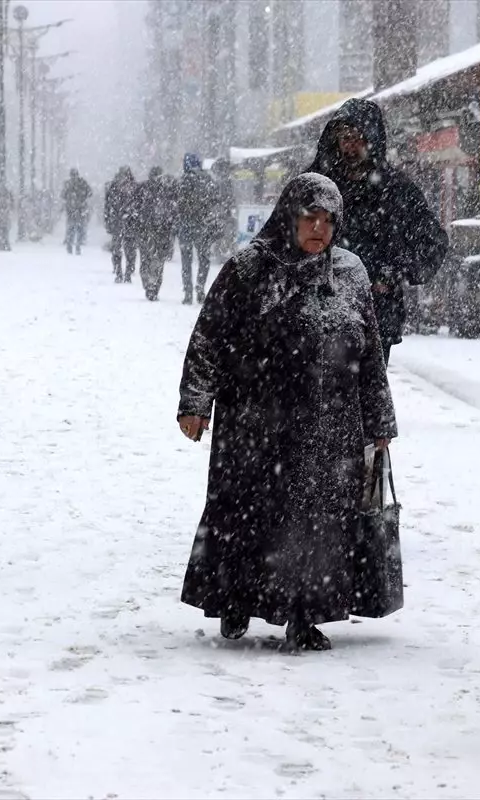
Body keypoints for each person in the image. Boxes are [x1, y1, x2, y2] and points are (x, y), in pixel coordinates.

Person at [176, 173, 397, 652]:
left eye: (327, 221)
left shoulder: (350, 273)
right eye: (309, 218)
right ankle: (236, 597)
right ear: (289, 218)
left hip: (328, 427)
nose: (318, 229)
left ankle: (303, 614)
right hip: (257, 425)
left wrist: (379, 424)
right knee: (248, 517)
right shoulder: (249, 269)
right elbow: (209, 338)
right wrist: (195, 402)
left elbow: (371, 357)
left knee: (317, 525)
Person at [307, 98, 448, 365]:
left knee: (366, 401)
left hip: (375, 317)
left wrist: (395, 273)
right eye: (344, 137)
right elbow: (281, 238)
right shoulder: (315, 186)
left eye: (357, 138)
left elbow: (433, 243)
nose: (350, 146)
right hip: (317, 314)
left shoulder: (397, 190)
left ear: (372, 139)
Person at [177, 152, 218, 305]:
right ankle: (200, 289)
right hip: (203, 227)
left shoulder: (183, 180)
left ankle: (187, 293)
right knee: (204, 259)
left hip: (186, 226)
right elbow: (215, 200)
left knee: (186, 261)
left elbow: (179, 204)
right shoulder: (208, 179)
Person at [137, 166, 177, 302]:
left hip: (149, 230)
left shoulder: (144, 188)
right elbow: (172, 210)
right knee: (157, 261)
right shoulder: (165, 190)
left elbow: (136, 209)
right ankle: (153, 286)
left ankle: (150, 285)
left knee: (148, 259)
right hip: (158, 230)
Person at [104, 166, 140, 283]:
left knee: (117, 248)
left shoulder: (113, 187)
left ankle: (119, 271)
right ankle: (128, 272)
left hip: (118, 221)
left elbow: (108, 206)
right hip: (130, 221)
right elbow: (140, 205)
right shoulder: (135, 187)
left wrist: (108, 221)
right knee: (129, 249)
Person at [62, 168, 92, 255]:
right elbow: (90, 193)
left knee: (75, 228)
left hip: (76, 209)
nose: (74, 177)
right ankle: (73, 245)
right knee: (76, 228)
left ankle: (73, 245)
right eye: (73, 175)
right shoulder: (81, 183)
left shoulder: (70, 184)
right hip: (76, 209)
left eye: (74, 175)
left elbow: (63, 195)